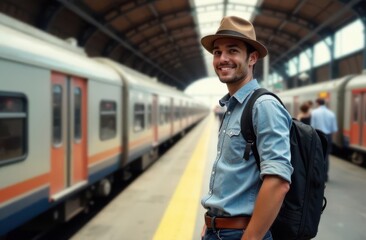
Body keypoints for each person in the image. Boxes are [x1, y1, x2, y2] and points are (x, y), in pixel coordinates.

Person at [200, 16, 293, 240]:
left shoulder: (263, 106)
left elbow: (278, 181)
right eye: (217, 52)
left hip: (240, 233)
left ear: (252, 58)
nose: (222, 59)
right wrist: (211, 222)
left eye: (232, 51)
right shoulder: (232, 108)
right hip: (219, 230)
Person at [310, 98, 338, 181]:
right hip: (328, 135)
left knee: (317, 155)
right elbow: (334, 129)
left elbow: (312, 126)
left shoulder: (314, 113)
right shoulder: (331, 113)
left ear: (318, 103)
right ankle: (325, 175)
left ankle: (318, 174)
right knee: (326, 156)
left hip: (318, 135)